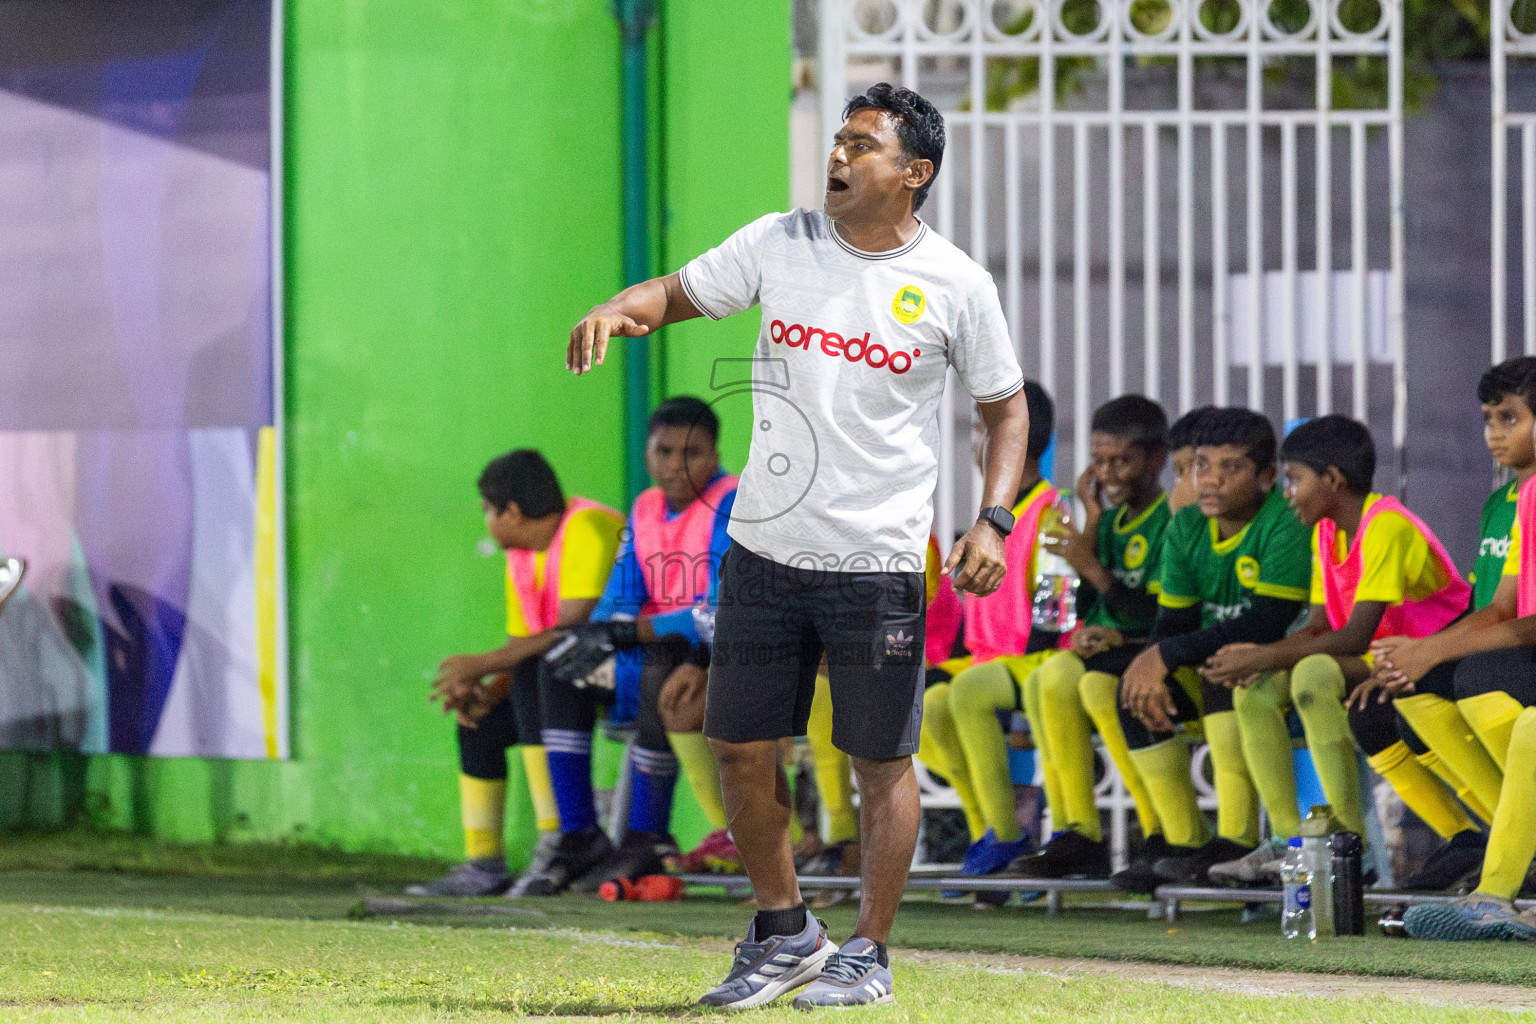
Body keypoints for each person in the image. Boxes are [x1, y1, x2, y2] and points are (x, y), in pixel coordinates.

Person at [564, 82, 1030, 1010]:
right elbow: (678, 294)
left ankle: (869, 952)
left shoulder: (956, 285)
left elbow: (1003, 408)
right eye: (839, 141)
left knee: (877, 762)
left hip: (878, 560)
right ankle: (784, 931)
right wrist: (619, 308)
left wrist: (994, 519)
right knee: (738, 744)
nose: (839, 156)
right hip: (766, 552)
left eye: (862, 145)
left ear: (914, 172)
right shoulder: (781, 240)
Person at [1201, 415, 1478, 889]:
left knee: (1312, 675)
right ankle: (1290, 841)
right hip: (1379, 656)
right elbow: (1317, 627)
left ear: (1332, 479)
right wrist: (1259, 660)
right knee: (1258, 689)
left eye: (1294, 480)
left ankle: (1352, 848)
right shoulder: (1325, 532)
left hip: (1433, 655)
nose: (1287, 493)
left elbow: (1352, 637)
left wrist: (1265, 654)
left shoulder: (1385, 524)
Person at [526, 397, 738, 894]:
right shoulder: (644, 508)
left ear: (715, 454)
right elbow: (621, 599)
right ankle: (578, 835)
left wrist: (629, 633)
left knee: (659, 665)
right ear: (647, 453)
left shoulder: (730, 502)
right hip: (649, 651)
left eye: (693, 453)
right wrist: (598, 635)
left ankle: (646, 834)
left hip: (714, 657)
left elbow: (717, 610)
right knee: (557, 664)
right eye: (663, 451)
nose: (675, 466)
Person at [1112, 409, 1313, 892]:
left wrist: (1161, 654)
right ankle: (1183, 843)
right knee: (1130, 692)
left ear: (1267, 476)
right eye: (1202, 466)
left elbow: (1268, 622)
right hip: (1221, 666)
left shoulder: (1284, 522)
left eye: (1231, 468)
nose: (1211, 480)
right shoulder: (1185, 528)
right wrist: (1152, 663)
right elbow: (1174, 623)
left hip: (1284, 664)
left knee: (1225, 667)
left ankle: (1238, 840)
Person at [408, 451, 623, 897]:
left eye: (488, 510)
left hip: (627, 667)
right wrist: (484, 691)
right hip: (561, 679)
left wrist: (480, 665)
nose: (486, 521)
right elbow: (520, 647)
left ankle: (560, 836)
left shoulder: (586, 527)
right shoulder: (523, 555)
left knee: (531, 674)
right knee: (482, 718)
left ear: (512, 511)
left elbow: (570, 632)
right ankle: (484, 865)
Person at [1013, 394, 1171, 879]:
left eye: (1121, 460)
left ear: (1156, 460)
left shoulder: (1167, 519)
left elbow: (1158, 615)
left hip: (1154, 659)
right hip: (1114, 654)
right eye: (1099, 461)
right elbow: (1087, 608)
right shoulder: (1109, 518)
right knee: (1049, 677)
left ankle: (1158, 832)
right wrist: (1094, 522)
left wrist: (1090, 566)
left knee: (1089, 684)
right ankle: (1077, 833)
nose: (1108, 474)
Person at [918, 382, 1063, 884]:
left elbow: (1052, 620)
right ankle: (990, 832)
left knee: (965, 692)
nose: (975, 440)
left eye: (982, 428)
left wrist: (1023, 714)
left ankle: (1006, 833)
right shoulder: (989, 523)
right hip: (987, 661)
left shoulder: (1052, 514)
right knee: (924, 702)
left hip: (1036, 661)